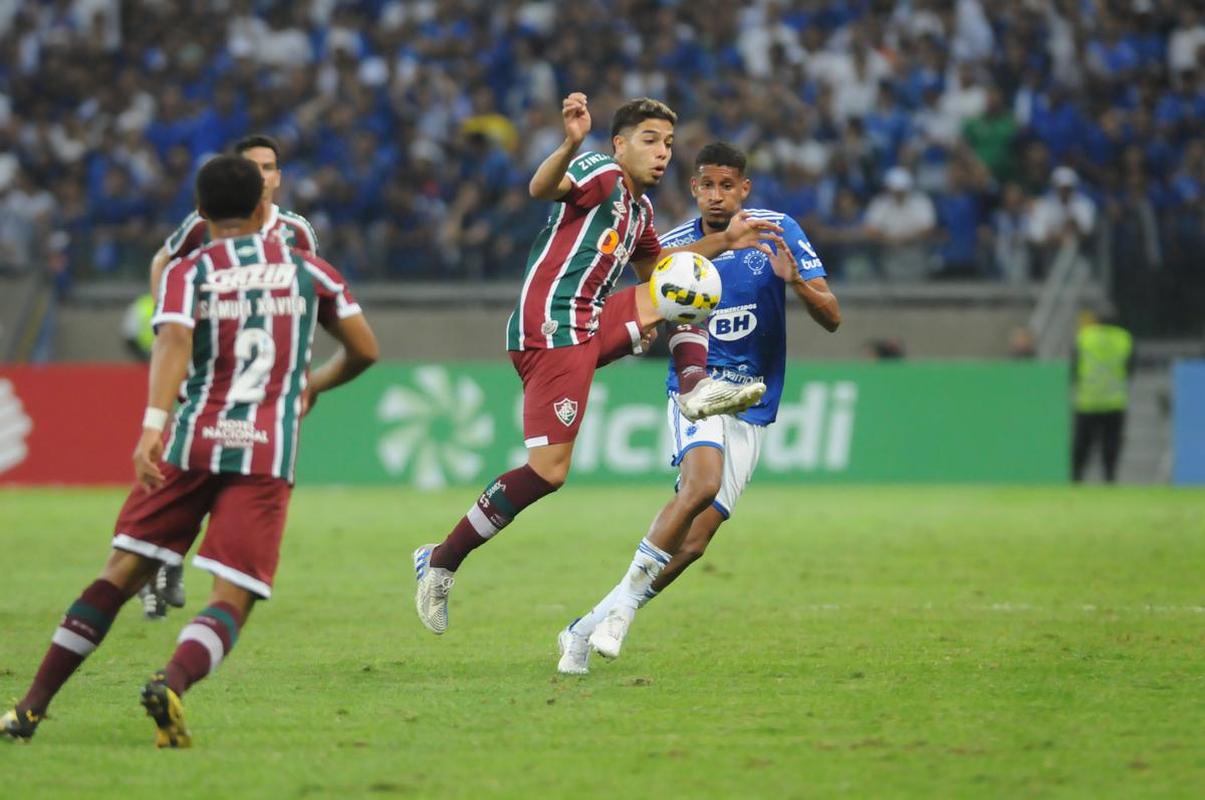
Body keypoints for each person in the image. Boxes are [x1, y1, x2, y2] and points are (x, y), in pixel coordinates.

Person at [1, 155, 378, 746]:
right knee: (233, 594)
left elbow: (171, 340)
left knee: (120, 572)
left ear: (201, 212)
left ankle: (28, 708)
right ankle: (172, 680)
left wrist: (153, 424)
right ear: (262, 209)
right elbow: (365, 350)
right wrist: (312, 383)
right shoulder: (310, 270)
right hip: (264, 452)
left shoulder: (189, 271)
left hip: (191, 439)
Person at [412, 95, 783, 636]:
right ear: (620, 144)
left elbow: (664, 269)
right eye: (651, 141)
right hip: (552, 329)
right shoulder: (601, 172)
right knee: (548, 473)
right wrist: (567, 143)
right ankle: (441, 560)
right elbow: (542, 188)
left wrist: (724, 241)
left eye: (669, 145)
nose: (662, 154)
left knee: (685, 285)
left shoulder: (641, 211)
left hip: (588, 325)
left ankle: (696, 386)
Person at [555, 141, 841, 672]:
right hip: (697, 389)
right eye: (707, 185)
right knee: (700, 485)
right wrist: (640, 333)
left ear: (744, 189)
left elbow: (833, 317)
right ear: (693, 188)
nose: (716, 196)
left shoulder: (778, 230)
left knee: (694, 544)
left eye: (726, 186)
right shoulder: (677, 246)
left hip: (752, 401)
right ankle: (621, 620)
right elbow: (645, 310)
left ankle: (590, 623)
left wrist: (796, 281)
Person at [141, 133, 320, 620]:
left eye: (268, 167)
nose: (260, 176)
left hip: (265, 381)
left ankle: (184, 559)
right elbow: (164, 260)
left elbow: (307, 302)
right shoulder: (203, 225)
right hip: (210, 368)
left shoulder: (297, 233)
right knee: (192, 458)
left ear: (278, 177)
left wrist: (301, 371)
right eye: (252, 168)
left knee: (240, 471)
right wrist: (169, 324)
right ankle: (163, 554)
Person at [1072, 307, 1134, 483]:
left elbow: (1075, 365)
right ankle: (1109, 478)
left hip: (1087, 400)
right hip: (1115, 401)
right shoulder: (1124, 338)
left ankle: (1076, 479)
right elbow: (1131, 368)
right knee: (1111, 445)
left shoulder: (1085, 337)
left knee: (1082, 445)